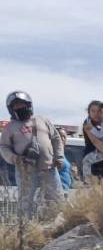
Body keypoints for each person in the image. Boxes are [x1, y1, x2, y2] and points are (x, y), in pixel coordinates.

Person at [0, 91, 64, 219]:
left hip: (49, 168)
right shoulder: (10, 128)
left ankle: (57, 229)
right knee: (26, 204)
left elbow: (56, 138)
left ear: (29, 105)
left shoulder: (43, 120)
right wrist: (14, 158)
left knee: (57, 200)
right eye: (16, 106)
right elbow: (4, 147)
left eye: (22, 104)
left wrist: (59, 157)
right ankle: (28, 231)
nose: (19, 107)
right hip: (26, 171)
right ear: (11, 109)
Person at [79, 100, 102, 182]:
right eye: (93, 111)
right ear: (89, 112)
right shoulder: (87, 123)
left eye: (98, 111)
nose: (95, 113)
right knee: (91, 183)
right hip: (92, 154)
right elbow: (96, 142)